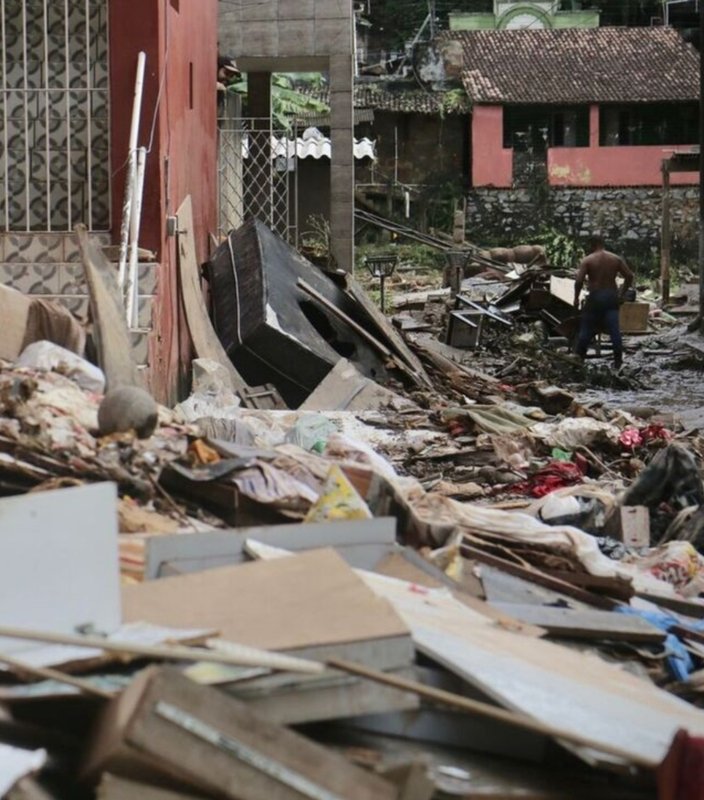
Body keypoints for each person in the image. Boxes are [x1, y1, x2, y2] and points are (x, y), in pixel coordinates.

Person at [573, 234, 634, 370]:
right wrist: (621, 294)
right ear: (602, 243)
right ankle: (618, 362)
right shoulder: (615, 259)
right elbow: (629, 276)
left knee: (586, 329)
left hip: (595, 297)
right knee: (614, 330)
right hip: (611, 297)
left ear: (592, 245)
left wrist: (576, 298)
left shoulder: (588, 260)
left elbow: (579, 281)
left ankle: (578, 360)